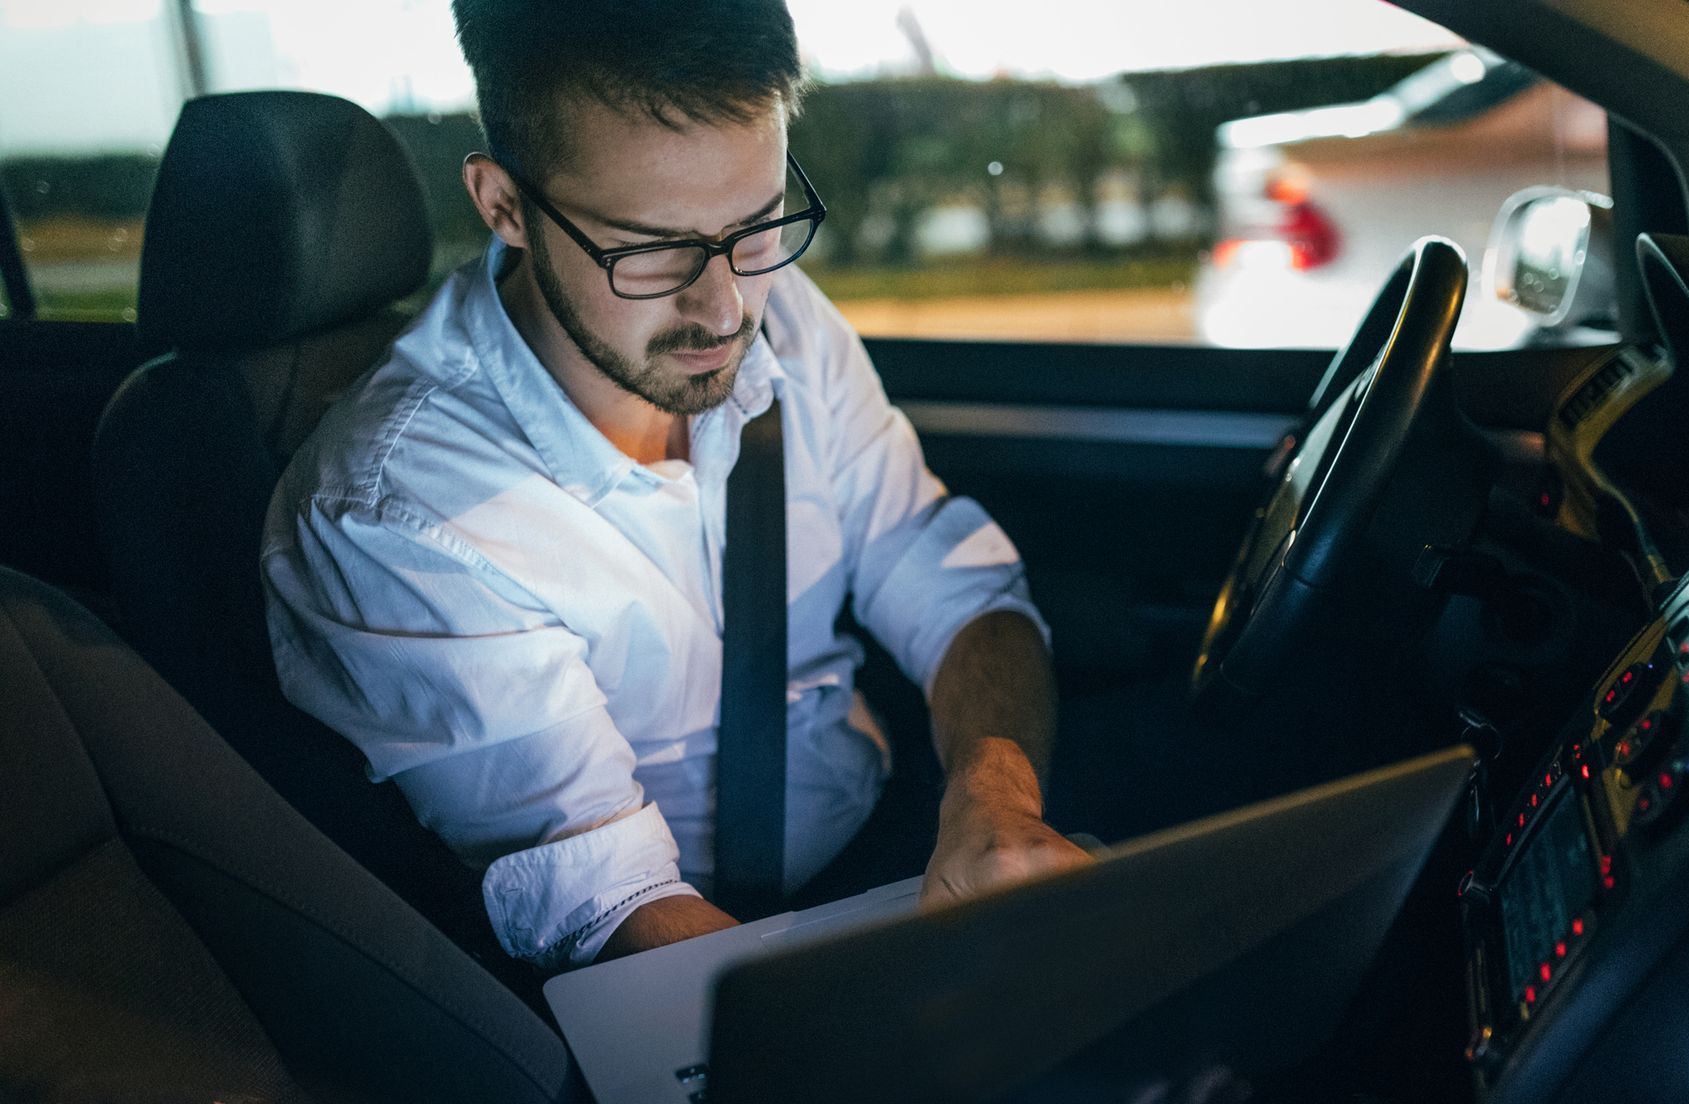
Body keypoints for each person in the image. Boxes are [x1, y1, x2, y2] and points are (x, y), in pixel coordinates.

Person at [260, 0, 1091, 973]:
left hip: (898, 840)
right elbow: (609, 896)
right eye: (651, 247)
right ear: (505, 205)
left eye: (757, 224)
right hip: (682, 968)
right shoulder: (396, 510)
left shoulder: (785, 320)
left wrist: (992, 801)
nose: (726, 305)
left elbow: (946, 578)